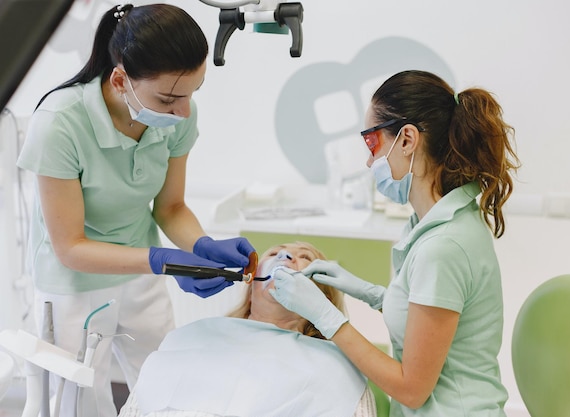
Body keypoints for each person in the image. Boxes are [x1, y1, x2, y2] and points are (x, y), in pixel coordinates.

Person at [16, 4, 255, 417]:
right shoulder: (59, 122)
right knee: (77, 404)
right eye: (168, 98)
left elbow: (171, 207)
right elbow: (70, 247)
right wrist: (163, 259)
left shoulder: (178, 116)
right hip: (73, 282)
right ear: (120, 79)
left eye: (192, 93)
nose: (183, 112)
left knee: (166, 385)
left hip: (140, 274)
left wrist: (202, 246)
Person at [269, 70, 520, 416]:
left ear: (407, 140)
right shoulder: (435, 223)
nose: (369, 161)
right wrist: (370, 293)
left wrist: (326, 317)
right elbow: (427, 322)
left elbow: (412, 389)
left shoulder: (444, 246)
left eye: (371, 144)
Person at [118, 242, 377, 417]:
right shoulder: (193, 337)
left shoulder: (336, 363)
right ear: (250, 288)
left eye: (304, 258)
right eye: (274, 253)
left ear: (323, 297)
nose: (285, 257)